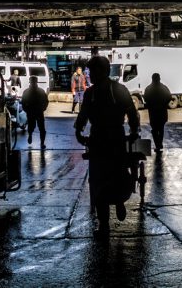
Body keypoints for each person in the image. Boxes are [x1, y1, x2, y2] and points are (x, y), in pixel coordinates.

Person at [75, 56, 140, 237]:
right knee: (101, 181)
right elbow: (83, 116)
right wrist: (78, 131)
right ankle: (105, 223)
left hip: (107, 139)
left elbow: (131, 113)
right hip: (108, 139)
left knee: (104, 180)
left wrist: (134, 131)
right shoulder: (97, 92)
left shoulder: (110, 91)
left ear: (103, 71)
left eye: (92, 71)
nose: (90, 75)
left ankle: (115, 207)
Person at [143, 73, 172, 153]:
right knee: (161, 129)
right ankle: (159, 144)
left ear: (152, 79)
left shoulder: (148, 89)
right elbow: (169, 97)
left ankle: (157, 145)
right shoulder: (164, 88)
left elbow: (145, 99)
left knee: (155, 130)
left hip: (153, 113)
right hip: (162, 112)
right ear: (159, 78)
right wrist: (164, 104)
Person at [22, 75, 49, 149]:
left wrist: (43, 108)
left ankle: (42, 143)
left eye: (34, 81)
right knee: (31, 127)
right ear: (30, 82)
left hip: (38, 112)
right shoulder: (27, 92)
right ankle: (30, 135)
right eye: (32, 81)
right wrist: (27, 110)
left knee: (42, 129)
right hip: (31, 112)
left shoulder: (40, 91)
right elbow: (23, 103)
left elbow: (46, 101)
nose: (33, 83)